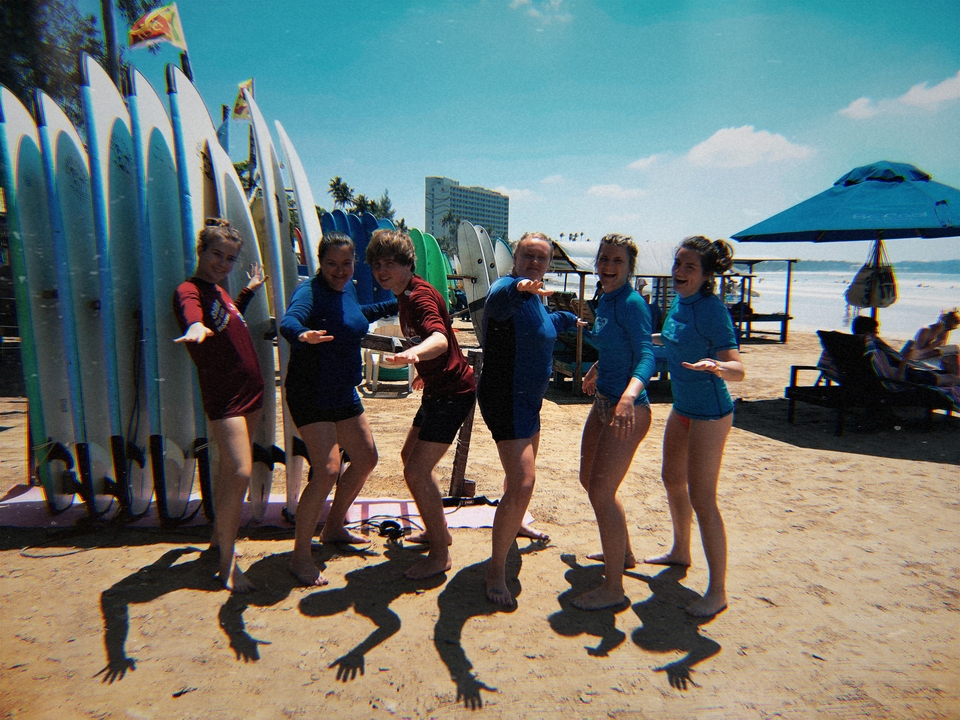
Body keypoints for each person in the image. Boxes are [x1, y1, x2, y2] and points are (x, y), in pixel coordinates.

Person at [280, 231, 399, 586]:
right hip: (310, 393)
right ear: (320, 262)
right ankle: (300, 555)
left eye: (346, 263)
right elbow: (290, 320)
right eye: (332, 264)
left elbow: (353, 315)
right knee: (328, 469)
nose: (339, 270)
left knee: (365, 457)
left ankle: (333, 528)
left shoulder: (346, 288)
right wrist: (303, 335)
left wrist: (393, 304)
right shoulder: (309, 291)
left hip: (343, 393)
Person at [478, 232, 584, 606]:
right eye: (528, 256)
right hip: (504, 397)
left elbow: (545, 325)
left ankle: (517, 522)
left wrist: (570, 318)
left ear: (549, 263)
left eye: (541, 258)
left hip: (529, 400)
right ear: (515, 258)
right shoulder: (508, 287)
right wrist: (518, 285)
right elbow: (501, 299)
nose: (534, 263)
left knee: (517, 476)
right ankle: (495, 571)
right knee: (523, 482)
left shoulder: (536, 298)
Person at [366, 229, 476, 580]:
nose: (382, 270)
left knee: (416, 471)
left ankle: (440, 553)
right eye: (376, 264)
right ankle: (436, 529)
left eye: (390, 263)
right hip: (437, 387)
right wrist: (424, 371)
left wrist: (412, 355)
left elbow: (441, 340)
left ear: (407, 264)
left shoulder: (418, 297)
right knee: (408, 459)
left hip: (453, 393)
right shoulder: (404, 293)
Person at [647, 236, 745, 618]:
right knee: (672, 478)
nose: (680, 272)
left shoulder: (712, 309)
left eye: (689, 266)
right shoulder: (678, 304)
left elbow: (739, 369)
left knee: (704, 499)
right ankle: (680, 551)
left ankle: (717, 590)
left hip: (711, 411)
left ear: (705, 275)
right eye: (678, 264)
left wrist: (716, 366)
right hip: (683, 407)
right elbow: (670, 341)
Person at [173, 218, 266, 593]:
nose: (223, 263)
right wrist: (195, 328)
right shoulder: (190, 289)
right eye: (217, 254)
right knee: (241, 471)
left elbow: (226, 317)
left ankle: (218, 537)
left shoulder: (221, 291)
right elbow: (193, 313)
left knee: (231, 473)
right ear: (201, 251)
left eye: (230, 258)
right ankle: (227, 565)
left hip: (252, 391)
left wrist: (247, 292)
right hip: (225, 397)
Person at [575, 233, 656, 610]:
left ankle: (614, 589)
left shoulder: (633, 303)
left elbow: (646, 356)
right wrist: (594, 369)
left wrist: (627, 395)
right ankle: (622, 554)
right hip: (604, 401)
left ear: (629, 268)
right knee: (589, 479)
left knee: (602, 492)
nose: (608, 266)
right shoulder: (606, 300)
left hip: (629, 409)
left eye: (617, 261)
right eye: (604, 259)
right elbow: (612, 345)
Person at [902, 309, 960, 375]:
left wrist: (941, 350)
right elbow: (916, 353)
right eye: (948, 327)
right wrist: (934, 345)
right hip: (918, 358)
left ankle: (954, 380)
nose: (948, 330)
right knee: (952, 357)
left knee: (954, 355)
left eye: (951, 329)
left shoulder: (945, 332)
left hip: (931, 356)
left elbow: (941, 348)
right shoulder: (926, 330)